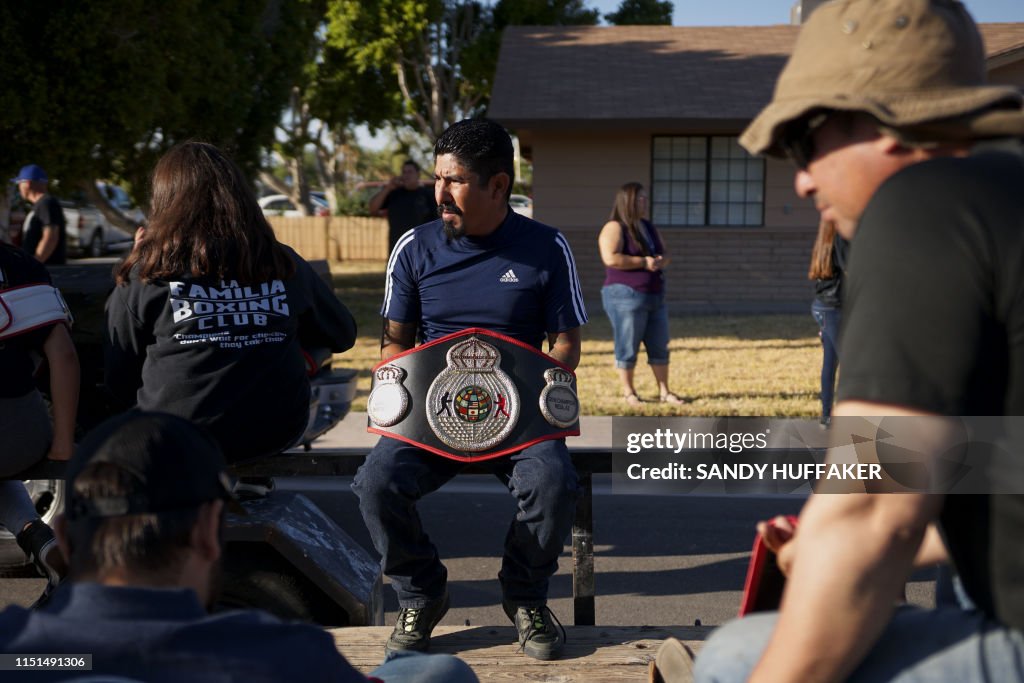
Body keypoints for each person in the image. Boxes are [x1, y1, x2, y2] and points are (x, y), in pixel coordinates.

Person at [693, 0, 1024, 681]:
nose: (803, 177)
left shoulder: (925, 204)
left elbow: (874, 512)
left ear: (885, 122)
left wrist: (835, 540)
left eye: (805, 142)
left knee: (737, 654)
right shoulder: (1005, 193)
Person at [0, 411, 479, 683]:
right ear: (211, 531)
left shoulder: (16, 651)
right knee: (438, 672)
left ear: (61, 534)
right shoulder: (285, 657)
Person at [353, 118, 587, 661]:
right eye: (437, 178)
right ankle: (422, 593)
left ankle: (525, 595)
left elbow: (566, 346)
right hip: (429, 416)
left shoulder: (547, 247)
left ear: (498, 186)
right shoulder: (414, 248)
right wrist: (409, 399)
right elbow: (393, 348)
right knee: (375, 484)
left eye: (454, 181)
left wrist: (538, 402)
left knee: (554, 483)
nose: (439, 193)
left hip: (519, 413)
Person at [104, 142, 357, 463]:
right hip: (274, 431)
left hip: (176, 433)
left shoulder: (149, 271)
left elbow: (118, 377)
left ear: (164, 200)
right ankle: (250, 478)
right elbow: (342, 334)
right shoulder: (280, 262)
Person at [0, 240, 77, 603]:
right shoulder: (19, 263)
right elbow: (63, 356)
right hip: (21, 433)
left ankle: (38, 538)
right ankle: (39, 539)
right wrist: (62, 445)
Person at [598, 182, 680, 407]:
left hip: (655, 295)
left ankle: (665, 392)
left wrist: (663, 260)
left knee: (659, 345)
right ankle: (629, 393)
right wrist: (644, 261)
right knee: (627, 345)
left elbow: (665, 252)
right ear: (627, 201)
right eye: (640, 198)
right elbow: (611, 258)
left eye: (645, 198)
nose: (645, 202)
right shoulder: (615, 227)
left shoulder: (647, 226)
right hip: (625, 295)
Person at [807, 218, 847, 426]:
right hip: (833, 308)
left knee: (830, 363)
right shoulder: (841, 240)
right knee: (851, 365)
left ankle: (826, 416)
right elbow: (851, 267)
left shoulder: (823, 243)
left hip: (823, 307)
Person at [368, 159, 437, 253]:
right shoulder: (393, 194)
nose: (406, 175)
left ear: (418, 174)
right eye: (404, 172)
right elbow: (373, 210)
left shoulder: (428, 195)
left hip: (423, 252)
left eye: (410, 172)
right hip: (398, 252)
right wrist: (388, 187)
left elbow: (437, 224)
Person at [12, 164, 66, 265]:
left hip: (48, 271)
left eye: (19, 183)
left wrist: (34, 265)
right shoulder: (40, 205)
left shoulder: (46, 203)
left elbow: (50, 237)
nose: (19, 188)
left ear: (27, 184)